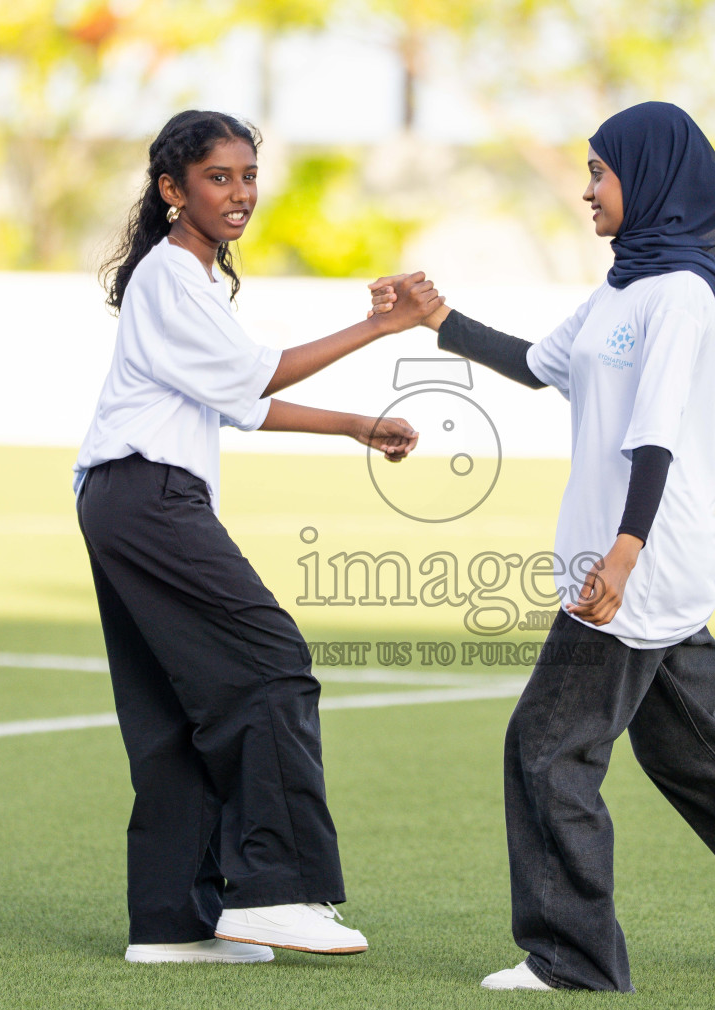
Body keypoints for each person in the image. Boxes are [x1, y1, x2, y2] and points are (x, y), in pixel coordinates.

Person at [371, 101, 715, 992]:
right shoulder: (624, 286)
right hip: (624, 563)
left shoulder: (682, 295)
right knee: (691, 749)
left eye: (600, 173)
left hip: (635, 567)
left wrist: (622, 554)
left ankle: (572, 960)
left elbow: (657, 438)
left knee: (545, 746)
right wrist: (439, 318)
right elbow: (543, 364)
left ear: (647, 178)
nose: (585, 190)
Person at [76, 110, 442, 966]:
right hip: (148, 498)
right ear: (173, 190)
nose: (240, 194)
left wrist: (354, 423)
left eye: (247, 176)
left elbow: (239, 398)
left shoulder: (191, 280)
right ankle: (275, 892)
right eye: (218, 178)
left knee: (179, 709)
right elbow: (253, 378)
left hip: (129, 497)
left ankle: (172, 923)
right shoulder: (170, 275)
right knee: (271, 662)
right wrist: (380, 328)